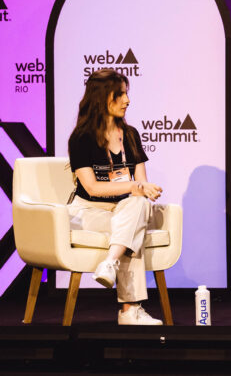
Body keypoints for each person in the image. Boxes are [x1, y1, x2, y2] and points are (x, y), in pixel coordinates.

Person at [68, 69, 164, 325]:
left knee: (136, 208)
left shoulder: (130, 135)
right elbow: (92, 188)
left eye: (126, 94)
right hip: (89, 211)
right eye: (120, 94)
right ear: (102, 98)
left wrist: (145, 188)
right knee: (134, 225)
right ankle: (129, 311)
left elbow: (140, 184)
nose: (127, 100)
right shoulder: (81, 138)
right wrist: (136, 187)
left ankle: (109, 262)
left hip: (124, 211)